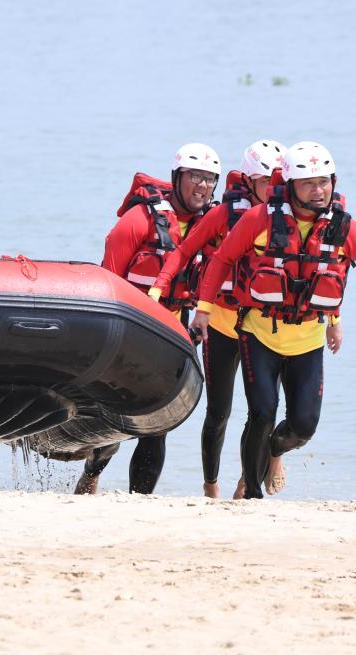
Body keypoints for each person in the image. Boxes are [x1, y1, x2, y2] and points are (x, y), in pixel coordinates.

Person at [189, 141, 356, 500]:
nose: (318, 190)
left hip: (307, 339)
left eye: (324, 182)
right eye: (309, 183)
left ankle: (275, 452)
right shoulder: (260, 219)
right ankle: (250, 495)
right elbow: (221, 260)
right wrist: (202, 309)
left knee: (303, 427)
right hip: (259, 332)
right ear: (290, 185)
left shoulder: (343, 228)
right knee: (261, 413)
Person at [148, 140, 331, 498]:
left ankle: (251, 478)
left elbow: (319, 271)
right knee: (218, 413)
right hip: (220, 325)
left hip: (261, 329)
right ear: (249, 181)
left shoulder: (293, 218)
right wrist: (160, 287)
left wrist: (334, 319)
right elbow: (185, 251)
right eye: (266, 181)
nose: (273, 187)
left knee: (263, 413)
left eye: (278, 179)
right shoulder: (226, 215)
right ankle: (210, 485)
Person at [75, 143, 221, 495]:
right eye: (195, 177)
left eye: (209, 179)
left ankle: (140, 500)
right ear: (177, 177)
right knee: (115, 420)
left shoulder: (214, 224)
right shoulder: (137, 221)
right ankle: (92, 475)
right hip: (127, 333)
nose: (202, 186)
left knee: (158, 424)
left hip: (171, 333)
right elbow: (108, 280)